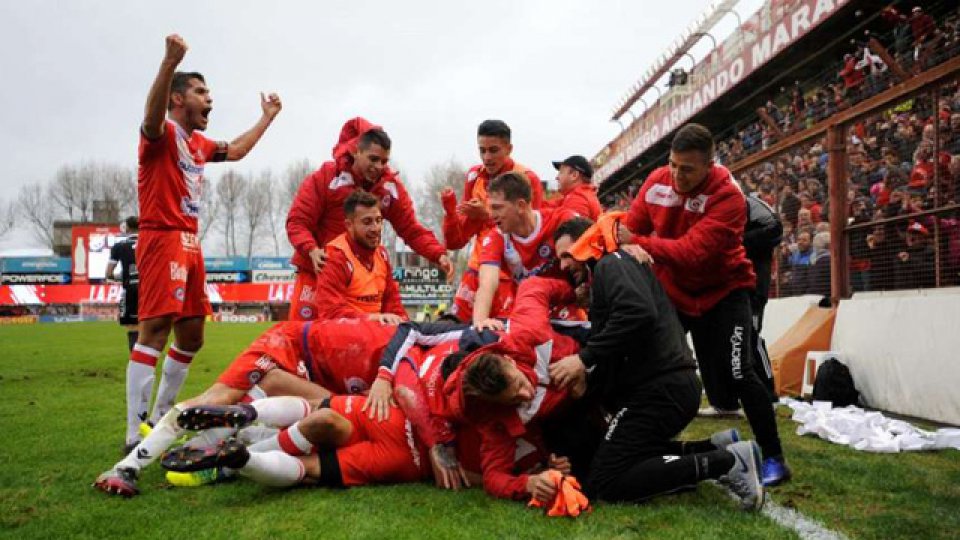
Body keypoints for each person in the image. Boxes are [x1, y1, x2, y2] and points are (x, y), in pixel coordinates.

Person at [127, 34, 282, 455]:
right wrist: (168, 63)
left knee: (192, 337)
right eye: (200, 91)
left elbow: (237, 151)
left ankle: (160, 415)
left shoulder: (198, 144)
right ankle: (132, 430)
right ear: (177, 99)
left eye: (209, 92)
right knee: (155, 330)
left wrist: (266, 118)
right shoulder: (160, 135)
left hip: (191, 243)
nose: (209, 99)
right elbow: (150, 117)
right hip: (162, 237)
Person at [544, 216, 764, 510]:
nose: (563, 266)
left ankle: (726, 462)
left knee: (605, 480)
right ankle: (713, 448)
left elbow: (638, 312)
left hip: (661, 390)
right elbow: (622, 338)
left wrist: (582, 360)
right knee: (618, 456)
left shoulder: (612, 263)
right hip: (664, 388)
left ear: (586, 243)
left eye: (566, 255)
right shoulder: (610, 271)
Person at [618, 123, 790, 486]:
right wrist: (633, 240)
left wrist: (641, 242)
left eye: (688, 169)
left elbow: (692, 253)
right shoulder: (656, 181)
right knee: (650, 367)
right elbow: (627, 231)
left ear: (709, 165)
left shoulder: (728, 196)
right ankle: (642, 444)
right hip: (675, 294)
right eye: (673, 165)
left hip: (725, 292)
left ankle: (774, 456)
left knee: (740, 373)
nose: (678, 175)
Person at [93, 317, 396, 496]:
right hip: (287, 344)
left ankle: (212, 449)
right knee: (218, 399)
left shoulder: (412, 350)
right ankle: (127, 466)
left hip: (307, 366)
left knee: (319, 421)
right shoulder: (409, 354)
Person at [285, 118, 452, 321]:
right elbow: (297, 221)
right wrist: (310, 249)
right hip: (317, 272)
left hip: (360, 281)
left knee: (361, 340)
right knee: (303, 338)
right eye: (373, 159)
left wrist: (437, 254)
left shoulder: (390, 188)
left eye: (384, 161)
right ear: (356, 151)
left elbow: (410, 229)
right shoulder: (326, 177)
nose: (379, 166)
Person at [443, 120, 544, 322]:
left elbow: (531, 232)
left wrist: (486, 216)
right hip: (477, 268)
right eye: (482, 150)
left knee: (505, 337)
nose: (487, 157)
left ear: (509, 148)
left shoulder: (527, 178)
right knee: (457, 332)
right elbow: (457, 240)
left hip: (510, 275)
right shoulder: (474, 176)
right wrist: (450, 213)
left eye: (493, 150)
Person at [470, 172, 579, 329]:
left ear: (521, 206)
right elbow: (487, 283)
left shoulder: (562, 220)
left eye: (497, 208)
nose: (492, 215)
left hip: (570, 306)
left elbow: (595, 250)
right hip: (531, 311)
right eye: (490, 208)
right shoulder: (497, 237)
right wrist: (480, 320)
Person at [311, 190, 407, 324]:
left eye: (378, 221)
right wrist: (373, 318)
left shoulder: (382, 254)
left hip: (377, 333)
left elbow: (393, 303)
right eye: (367, 222)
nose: (376, 228)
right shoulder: (335, 257)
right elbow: (331, 313)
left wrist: (403, 323)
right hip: (347, 337)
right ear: (349, 226)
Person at [106, 216, 140, 352]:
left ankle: (136, 362)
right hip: (150, 290)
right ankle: (148, 363)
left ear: (126, 228)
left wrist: (122, 277)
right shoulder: (151, 244)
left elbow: (109, 274)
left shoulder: (119, 247)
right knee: (149, 328)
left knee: (132, 327)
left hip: (130, 289)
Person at [543, 155, 602, 220]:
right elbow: (548, 207)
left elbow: (573, 228)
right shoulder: (580, 195)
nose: (557, 177)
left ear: (574, 175)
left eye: (561, 172)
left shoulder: (577, 198)